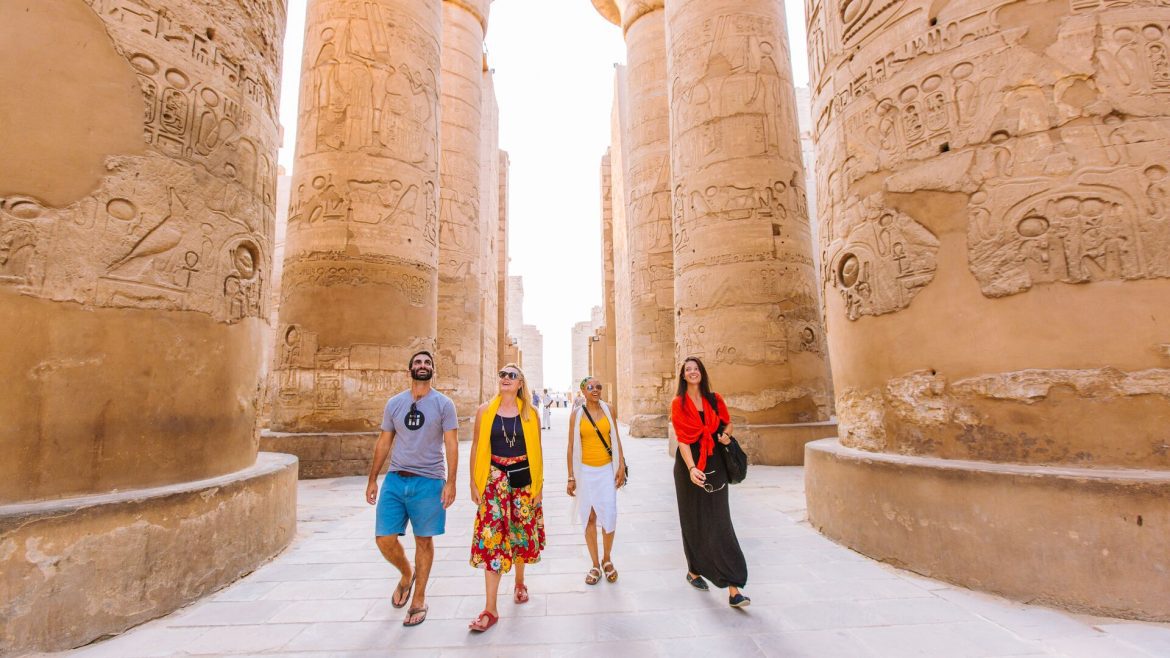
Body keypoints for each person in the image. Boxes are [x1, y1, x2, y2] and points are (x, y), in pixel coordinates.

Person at [365, 350, 459, 626]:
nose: (422, 366)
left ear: (432, 370)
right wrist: (373, 478)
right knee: (384, 538)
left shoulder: (444, 404)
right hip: (396, 478)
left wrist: (451, 482)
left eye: (427, 363)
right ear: (410, 370)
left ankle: (418, 598)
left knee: (424, 540)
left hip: (429, 480)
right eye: (417, 362)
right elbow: (384, 442)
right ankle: (407, 573)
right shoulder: (395, 404)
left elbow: (451, 444)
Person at [467, 363, 546, 632]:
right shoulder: (485, 411)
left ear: (520, 382)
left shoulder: (531, 413)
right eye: (502, 374)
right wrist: (473, 482)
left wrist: (539, 486)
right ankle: (490, 608)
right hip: (493, 480)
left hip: (523, 480)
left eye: (512, 375)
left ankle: (520, 582)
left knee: (520, 534)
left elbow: (537, 450)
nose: (506, 378)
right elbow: (477, 445)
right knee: (493, 540)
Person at [670, 356, 750, 608]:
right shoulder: (678, 403)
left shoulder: (715, 400)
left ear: (701, 373)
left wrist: (726, 436)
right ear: (683, 376)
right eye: (688, 370)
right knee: (692, 520)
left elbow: (728, 424)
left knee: (719, 522)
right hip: (689, 467)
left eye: (696, 369)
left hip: (714, 462)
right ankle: (694, 571)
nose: (692, 372)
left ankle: (733, 587)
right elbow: (682, 438)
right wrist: (692, 468)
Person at [566, 376, 626, 585]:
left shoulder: (609, 409)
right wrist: (571, 477)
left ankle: (607, 559)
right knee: (589, 517)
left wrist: (621, 465)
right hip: (585, 472)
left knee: (608, 514)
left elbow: (616, 438)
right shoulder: (576, 415)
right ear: (583, 391)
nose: (595, 390)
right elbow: (571, 446)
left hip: (606, 471)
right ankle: (594, 563)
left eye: (599, 386)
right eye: (590, 387)